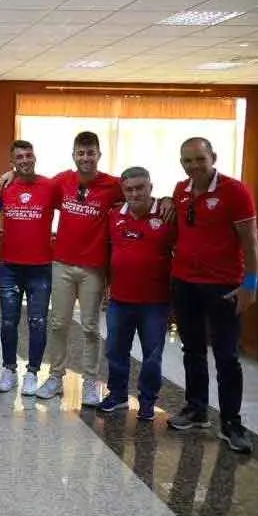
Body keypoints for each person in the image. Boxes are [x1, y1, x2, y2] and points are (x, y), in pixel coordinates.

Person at [168, 137, 258, 454]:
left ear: (213, 158)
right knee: (192, 349)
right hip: (185, 283)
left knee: (226, 356)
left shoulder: (235, 191)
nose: (193, 165)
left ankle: (232, 422)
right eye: (187, 160)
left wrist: (251, 284)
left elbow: (250, 241)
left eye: (199, 159)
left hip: (224, 287)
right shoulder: (180, 191)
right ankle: (196, 409)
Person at [35, 132, 124, 405]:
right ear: (74, 155)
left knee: (89, 328)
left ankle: (89, 382)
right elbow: (35, 187)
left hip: (93, 268)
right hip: (62, 263)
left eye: (91, 153)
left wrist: (165, 201)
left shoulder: (114, 185)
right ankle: (55, 377)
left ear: (99, 154)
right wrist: (10, 175)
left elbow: (140, 193)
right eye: (81, 153)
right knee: (58, 324)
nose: (86, 158)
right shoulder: (63, 181)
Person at [99, 167, 175, 422]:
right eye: (129, 189)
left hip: (155, 302)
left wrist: (170, 200)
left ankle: (147, 401)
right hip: (120, 299)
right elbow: (107, 253)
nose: (135, 194)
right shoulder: (114, 215)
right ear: (123, 191)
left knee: (152, 356)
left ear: (151, 187)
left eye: (140, 188)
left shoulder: (167, 214)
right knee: (115, 351)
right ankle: (118, 395)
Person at [0, 140, 57, 396]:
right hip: (9, 266)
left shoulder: (50, 186)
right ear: (12, 161)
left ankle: (32, 372)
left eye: (28, 155)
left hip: (40, 267)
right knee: (8, 321)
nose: (24, 160)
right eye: (19, 157)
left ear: (35, 157)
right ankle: (9, 368)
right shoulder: (4, 186)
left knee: (38, 321)